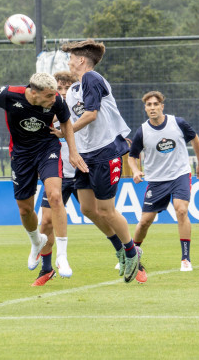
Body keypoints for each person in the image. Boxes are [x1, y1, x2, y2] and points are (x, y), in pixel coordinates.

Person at [0, 72, 86, 286]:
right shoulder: (9, 94)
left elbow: (66, 123)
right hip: (21, 155)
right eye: (48, 96)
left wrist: (73, 152)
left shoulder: (57, 101)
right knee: (25, 210)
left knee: (55, 196)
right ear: (33, 93)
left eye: (55, 95)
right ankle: (36, 242)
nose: (54, 99)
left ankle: (62, 256)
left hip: (48, 149)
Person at [62, 39, 141, 283]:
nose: (69, 61)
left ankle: (131, 251)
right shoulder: (75, 89)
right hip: (86, 156)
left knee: (106, 210)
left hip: (105, 152)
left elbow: (91, 114)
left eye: (72, 57)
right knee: (87, 208)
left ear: (82, 60)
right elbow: (70, 122)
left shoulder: (92, 78)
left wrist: (68, 131)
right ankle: (119, 246)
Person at [127, 91, 199, 283]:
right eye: (149, 105)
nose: (152, 107)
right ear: (145, 108)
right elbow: (132, 156)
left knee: (181, 210)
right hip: (156, 180)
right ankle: (132, 254)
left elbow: (195, 140)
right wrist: (135, 171)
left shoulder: (178, 123)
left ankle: (185, 258)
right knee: (145, 221)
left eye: (156, 104)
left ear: (162, 106)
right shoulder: (142, 131)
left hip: (180, 174)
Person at [32, 70, 81, 286]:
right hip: (57, 175)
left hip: (81, 172)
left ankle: (128, 253)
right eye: (58, 89)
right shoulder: (47, 111)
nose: (62, 93)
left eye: (67, 88)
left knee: (102, 213)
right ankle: (46, 268)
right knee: (46, 222)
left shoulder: (81, 111)